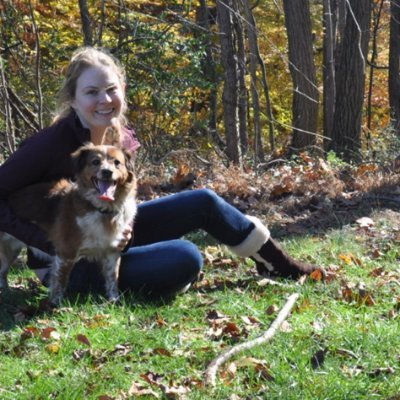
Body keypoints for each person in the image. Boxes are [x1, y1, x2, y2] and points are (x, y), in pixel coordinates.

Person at [0, 47, 322, 298]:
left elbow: (119, 202)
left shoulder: (118, 136)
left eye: (111, 89)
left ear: (122, 89)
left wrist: (125, 227)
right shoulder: (53, 143)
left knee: (204, 202)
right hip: (65, 261)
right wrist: (47, 241)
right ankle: (146, 277)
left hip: (106, 238)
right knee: (185, 257)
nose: (104, 100)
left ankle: (279, 265)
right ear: (73, 98)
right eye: (91, 92)